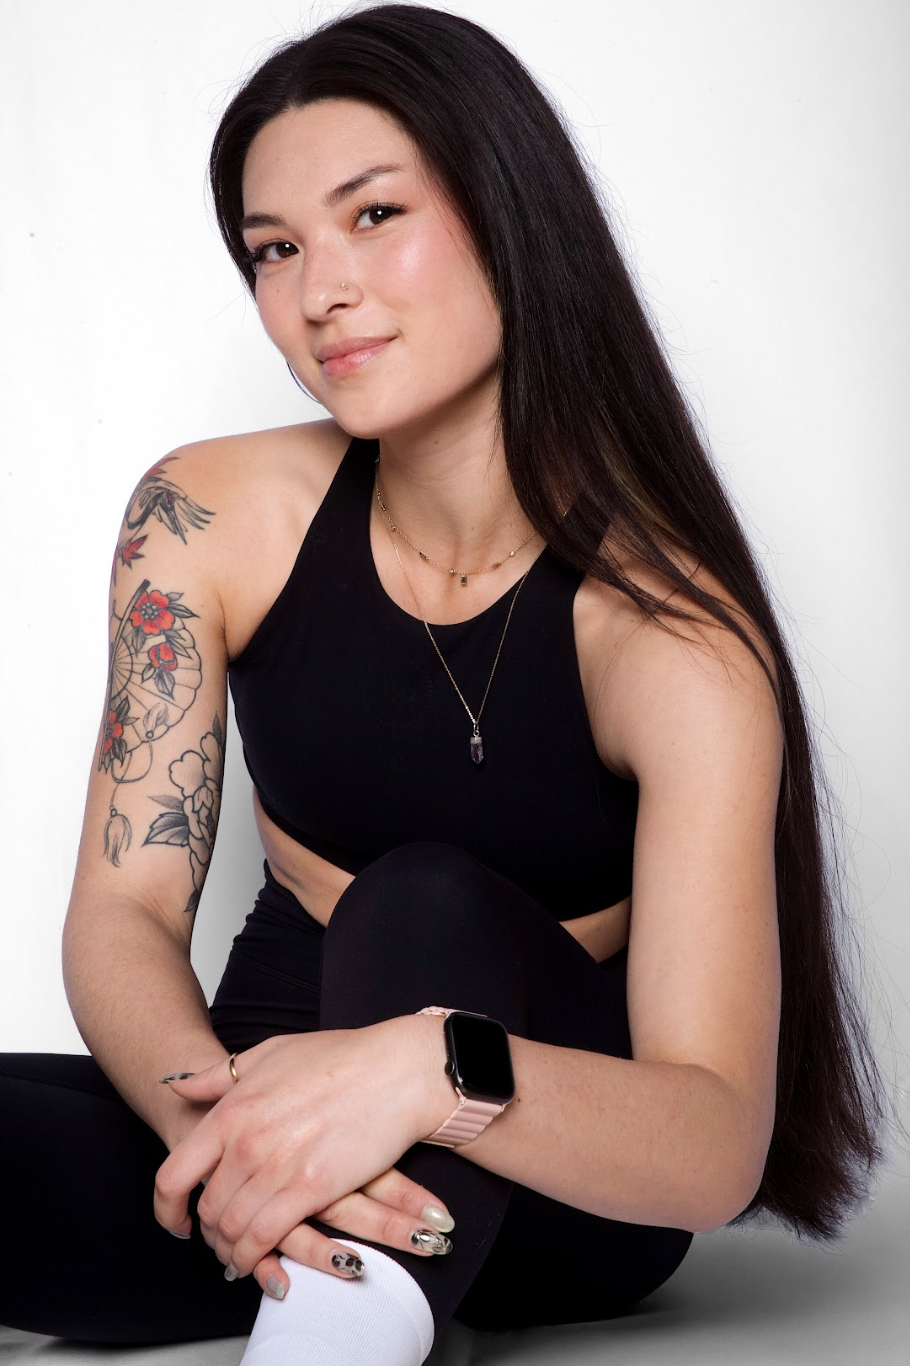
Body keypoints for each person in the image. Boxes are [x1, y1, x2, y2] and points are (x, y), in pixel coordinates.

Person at [0, 4, 896, 1361]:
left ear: (508, 212)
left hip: (553, 1177)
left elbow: (714, 1139)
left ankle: (344, 1335)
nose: (319, 290)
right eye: (276, 249)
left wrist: (425, 1069)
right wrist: (242, 1160)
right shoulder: (202, 516)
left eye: (372, 216)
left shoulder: (673, 637)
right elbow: (122, 909)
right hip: (245, 1117)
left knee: (420, 889)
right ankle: (334, 1289)